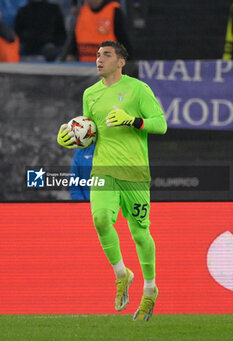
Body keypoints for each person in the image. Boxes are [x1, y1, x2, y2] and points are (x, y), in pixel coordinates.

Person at [57, 41, 167, 321]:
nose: (99, 59)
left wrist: (133, 120)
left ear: (121, 62)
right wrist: (72, 140)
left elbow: (160, 124)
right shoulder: (90, 94)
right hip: (103, 170)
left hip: (135, 173)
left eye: (106, 55)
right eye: (97, 55)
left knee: (140, 234)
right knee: (101, 219)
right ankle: (122, 274)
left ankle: (151, 289)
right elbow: (90, 137)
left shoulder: (137, 89)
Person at [64, 0, 132, 62]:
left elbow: (124, 40)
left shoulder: (114, 11)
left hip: (109, 67)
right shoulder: (82, 12)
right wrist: (70, 54)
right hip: (84, 66)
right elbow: (73, 39)